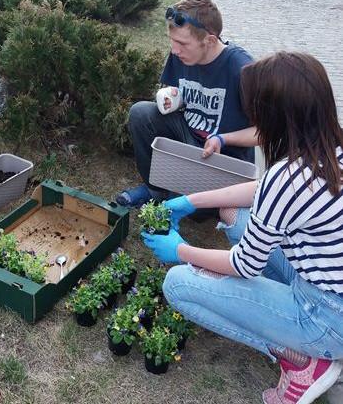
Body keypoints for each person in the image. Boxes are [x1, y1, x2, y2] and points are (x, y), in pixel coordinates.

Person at [143, 52, 343, 404]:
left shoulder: (288, 178)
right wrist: (193, 199)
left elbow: (244, 265)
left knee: (177, 285)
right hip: (326, 287)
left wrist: (179, 251)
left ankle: (300, 359)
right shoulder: (328, 147)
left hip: (325, 318)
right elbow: (261, 190)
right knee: (233, 214)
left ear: (274, 115)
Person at [116, 0, 257, 207]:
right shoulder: (181, 55)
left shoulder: (242, 69)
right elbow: (178, 94)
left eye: (182, 43)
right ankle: (155, 189)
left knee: (196, 210)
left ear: (209, 40)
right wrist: (174, 100)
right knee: (140, 113)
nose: (174, 50)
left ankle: (198, 198)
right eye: (172, 41)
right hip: (188, 137)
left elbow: (265, 133)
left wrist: (223, 139)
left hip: (223, 156)